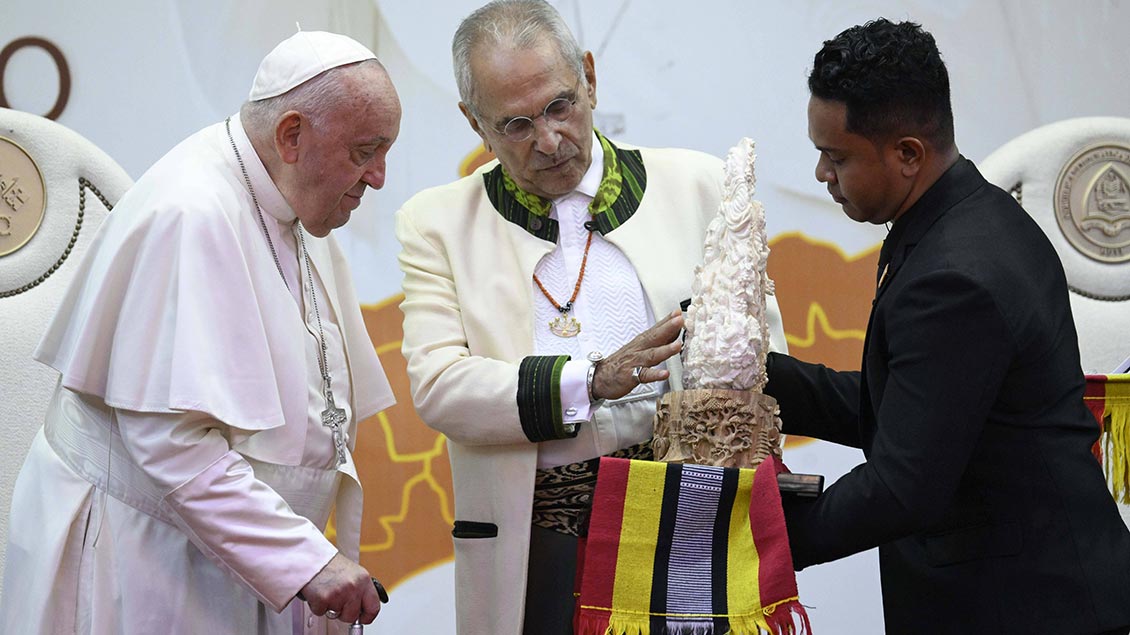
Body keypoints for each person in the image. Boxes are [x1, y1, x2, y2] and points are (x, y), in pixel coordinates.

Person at [394, 2, 787, 633]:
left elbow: (768, 366)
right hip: (538, 537)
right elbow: (440, 388)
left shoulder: (697, 185)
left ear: (591, 78)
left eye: (560, 106)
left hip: (688, 523)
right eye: (516, 124)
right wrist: (592, 379)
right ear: (475, 124)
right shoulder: (437, 223)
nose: (549, 141)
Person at [0, 31, 400, 634]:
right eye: (365, 151)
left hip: (239, 559)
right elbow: (171, 441)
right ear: (292, 136)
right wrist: (305, 562)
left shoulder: (281, 200)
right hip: (142, 562)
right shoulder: (189, 213)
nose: (378, 178)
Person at [765, 18, 1130, 634]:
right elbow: (916, 411)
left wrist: (761, 544)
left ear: (908, 154)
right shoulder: (965, 220)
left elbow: (902, 486)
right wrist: (758, 378)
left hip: (1031, 609)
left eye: (836, 157)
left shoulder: (955, 274)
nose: (822, 176)